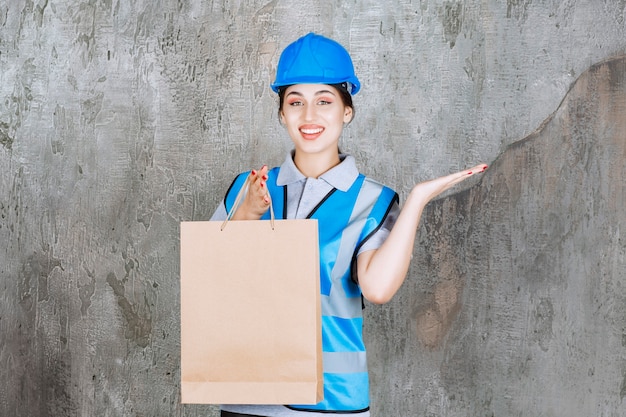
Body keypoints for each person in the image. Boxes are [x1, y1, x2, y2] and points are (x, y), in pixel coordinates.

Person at [211, 32, 487, 417]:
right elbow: (212, 278)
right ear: (282, 113)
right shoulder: (249, 186)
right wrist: (247, 214)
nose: (309, 117)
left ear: (347, 111)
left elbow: (376, 288)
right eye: (296, 102)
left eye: (324, 101)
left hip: (332, 405)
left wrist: (417, 200)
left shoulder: (373, 201)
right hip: (248, 400)